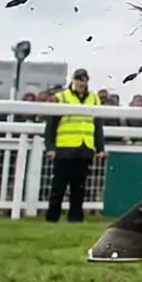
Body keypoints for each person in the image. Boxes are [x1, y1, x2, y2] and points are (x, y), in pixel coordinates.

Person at [43, 69, 104, 224]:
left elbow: (97, 126)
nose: (82, 83)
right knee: (59, 186)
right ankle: (52, 218)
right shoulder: (61, 97)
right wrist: (50, 147)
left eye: (84, 80)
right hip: (65, 147)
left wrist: (100, 148)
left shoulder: (94, 99)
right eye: (79, 80)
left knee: (79, 188)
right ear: (74, 80)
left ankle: (76, 219)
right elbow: (51, 125)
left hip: (84, 148)